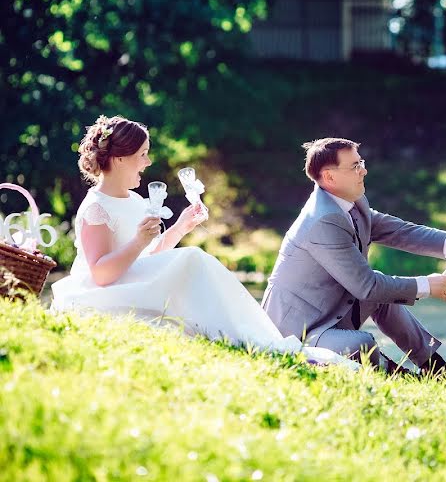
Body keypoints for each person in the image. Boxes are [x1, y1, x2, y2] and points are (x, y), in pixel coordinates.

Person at [50, 115, 356, 369]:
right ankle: (246, 334)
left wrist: (181, 226)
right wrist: (138, 241)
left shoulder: (132, 198)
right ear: (118, 159)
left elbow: (148, 259)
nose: (148, 161)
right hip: (100, 295)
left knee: (190, 258)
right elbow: (102, 274)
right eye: (142, 154)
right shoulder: (96, 209)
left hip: (128, 282)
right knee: (192, 259)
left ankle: (255, 335)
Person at [262, 138, 446, 383]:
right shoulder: (323, 220)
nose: (364, 170)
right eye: (354, 166)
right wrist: (428, 285)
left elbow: (399, 231)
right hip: (299, 332)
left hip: (332, 314)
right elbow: (366, 286)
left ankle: (438, 371)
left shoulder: (352, 201)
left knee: (385, 297)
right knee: (362, 343)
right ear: (329, 177)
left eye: (360, 162)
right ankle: (404, 378)